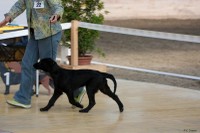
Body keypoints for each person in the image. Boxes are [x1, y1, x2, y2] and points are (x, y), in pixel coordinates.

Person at [0, 0, 85, 109]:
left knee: (50, 70)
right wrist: (8, 17)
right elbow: (20, 4)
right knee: (27, 64)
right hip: (34, 34)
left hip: (49, 33)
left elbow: (58, 6)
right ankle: (23, 98)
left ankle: (77, 90)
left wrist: (56, 15)